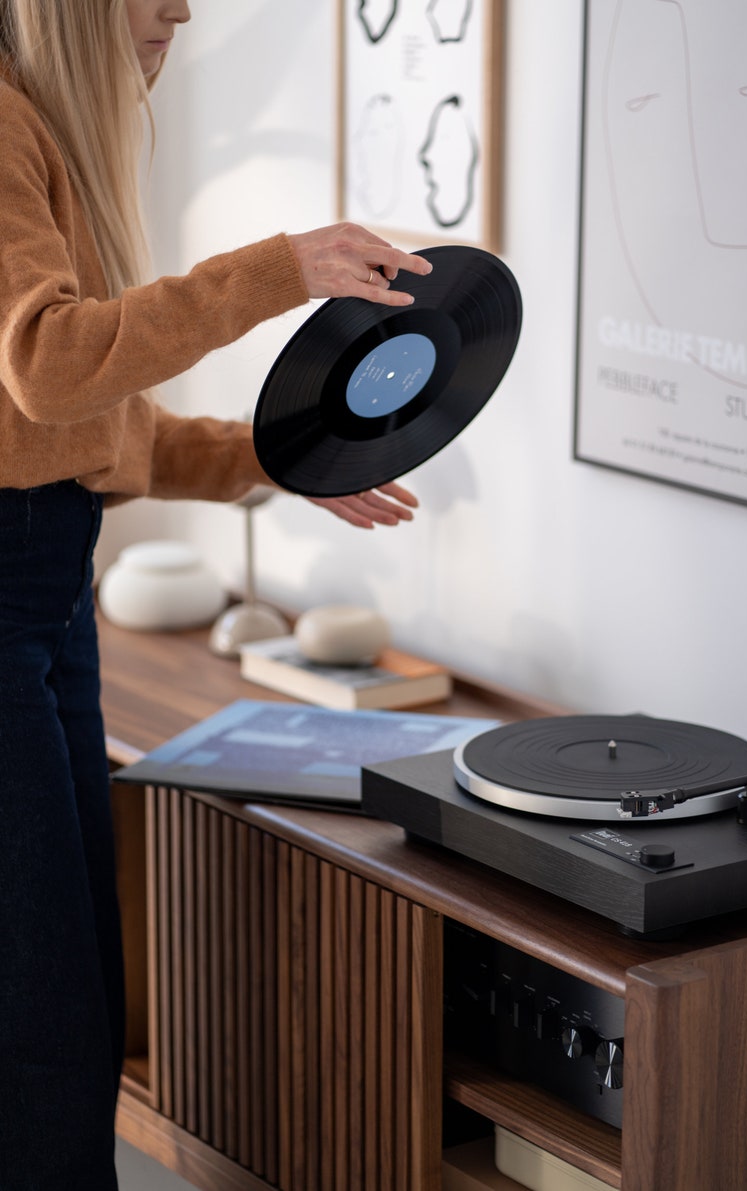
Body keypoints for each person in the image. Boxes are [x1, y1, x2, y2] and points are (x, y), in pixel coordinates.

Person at [0, 2, 432, 1188]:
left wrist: (282, 459)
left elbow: (81, 435)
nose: (180, 9)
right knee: (40, 1028)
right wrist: (279, 270)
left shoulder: (34, 125)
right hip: (14, 600)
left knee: (63, 998)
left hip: (43, 601)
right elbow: (49, 366)